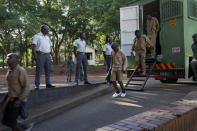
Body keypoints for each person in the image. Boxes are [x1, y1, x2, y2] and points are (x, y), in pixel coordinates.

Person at [0, 53, 33, 131]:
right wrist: (3, 100)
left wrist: (19, 100)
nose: (7, 59)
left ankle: (23, 127)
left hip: (17, 100)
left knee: (11, 122)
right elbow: (11, 88)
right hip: (11, 99)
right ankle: (25, 126)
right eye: (7, 57)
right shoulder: (10, 71)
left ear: (15, 60)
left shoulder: (21, 71)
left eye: (10, 57)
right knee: (5, 121)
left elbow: (27, 87)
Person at [32, 24, 55, 90]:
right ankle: (37, 84)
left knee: (48, 70)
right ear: (43, 29)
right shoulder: (37, 36)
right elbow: (33, 46)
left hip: (47, 55)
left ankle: (48, 83)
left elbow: (50, 47)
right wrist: (35, 56)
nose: (48, 31)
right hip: (40, 55)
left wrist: (52, 55)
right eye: (47, 29)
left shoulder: (48, 37)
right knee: (39, 70)